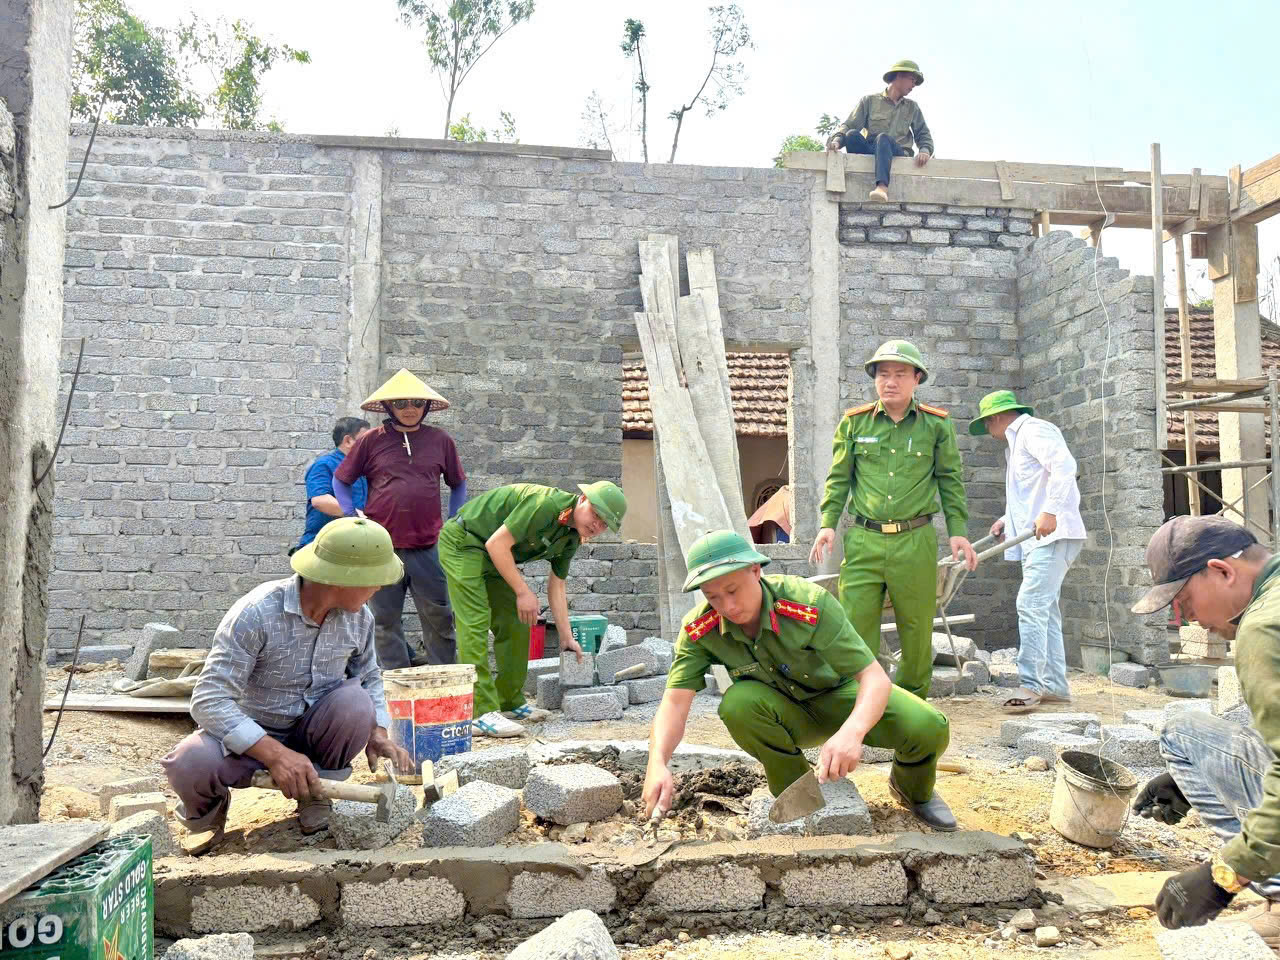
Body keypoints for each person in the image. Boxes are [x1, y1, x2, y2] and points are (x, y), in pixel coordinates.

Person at [643, 530, 956, 830]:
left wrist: (852, 732)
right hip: (783, 714)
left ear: (755, 571)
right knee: (738, 704)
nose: (728, 607)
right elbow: (674, 702)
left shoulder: (807, 604)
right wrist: (656, 762)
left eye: (733, 591)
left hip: (839, 698)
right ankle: (796, 791)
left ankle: (912, 790)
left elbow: (875, 679)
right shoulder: (700, 629)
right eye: (713, 597)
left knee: (929, 727)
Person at [162, 517, 413, 854]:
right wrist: (276, 754)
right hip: (250, 740)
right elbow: (209, 700)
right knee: (189, 762)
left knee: (356, 704)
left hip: (315, 734)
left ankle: (315, 795)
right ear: (343, 580)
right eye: (375, 581)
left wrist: (378, 732)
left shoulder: (358, 619)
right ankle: (205, 817)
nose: (379, 589)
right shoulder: (256, 613)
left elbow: (369, 677)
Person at [1129, 515, 1280, 947]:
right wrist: (1196, 771)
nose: (1185, 617)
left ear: (1222, 571)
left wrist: (1223, 875)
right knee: (1196, 738)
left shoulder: (1263, 629)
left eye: (1184, 598)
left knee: (1180, 728)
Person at [810, 340, 975, 700]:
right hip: (864, 539)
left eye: (900, 374)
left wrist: (958, 532)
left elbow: (950, 480)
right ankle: (862, 703)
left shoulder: (936, 425)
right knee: (856, 626)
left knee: (916, 628)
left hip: (914, 541)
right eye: (883, 374)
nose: (890, 381)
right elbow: (839, 478)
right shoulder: (854, 424)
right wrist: (827, 523)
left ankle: (912, 704)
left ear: (917, 378)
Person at [438, 481, 627, 738]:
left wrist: (566, 637)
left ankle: (509, 701)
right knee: (475, 621)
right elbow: (497, 544)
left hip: (492, 554)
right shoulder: (546, 505)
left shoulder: (570, 537)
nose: (597, 525)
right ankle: (480, 713)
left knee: (518, 620)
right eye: (596, 514)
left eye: (605, 524)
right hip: (464, 541)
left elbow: (557, 586)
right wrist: (522, 591)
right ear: (582, 499)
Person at [333, 369, 467, 670]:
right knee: (384, 620)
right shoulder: (370, 441)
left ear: (426, 407)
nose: (410, 409)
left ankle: (442, 680)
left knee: (440, 617)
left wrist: (454, 520)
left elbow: (458, 483)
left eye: (417, 403)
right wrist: (349, 513)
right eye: (402, 402)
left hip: (428, 546)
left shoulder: (440, 440)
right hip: (382, 547)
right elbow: (341, 480)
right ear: (390, 407)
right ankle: (393, 684)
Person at [968, 390, 1087, 712]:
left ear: (994, 418)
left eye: (987, 424)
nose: (989, 433)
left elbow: (1064, 467)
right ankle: (1056, 687)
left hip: (1054, 534)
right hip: (1037, 536)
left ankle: (1030, 685)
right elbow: (1029, 491)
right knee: (1045, 611)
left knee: (1030, 604)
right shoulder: (1016, 445)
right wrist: (1007, 519)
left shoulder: (1034, 430)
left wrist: (1050, 512)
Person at [826, 59, 933, 202]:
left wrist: (925, 150)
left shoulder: (912, 107)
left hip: (897, 153)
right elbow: (850, 124)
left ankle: (882, 187)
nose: (914, 85)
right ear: (898, 76)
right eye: (912, 79)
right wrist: (837, 142)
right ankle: (859, 176)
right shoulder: (869, 101)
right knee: (851, 135)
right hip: (872, 151)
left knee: (883, 138)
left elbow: (923, 133)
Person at [292, 417, 370, 554]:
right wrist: (359, 517)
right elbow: (320, 501)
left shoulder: (362, 469)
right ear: (348, 441)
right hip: (322, 547)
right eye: (365, 441)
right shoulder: (324, 465)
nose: (370, 446)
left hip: (353, 547)